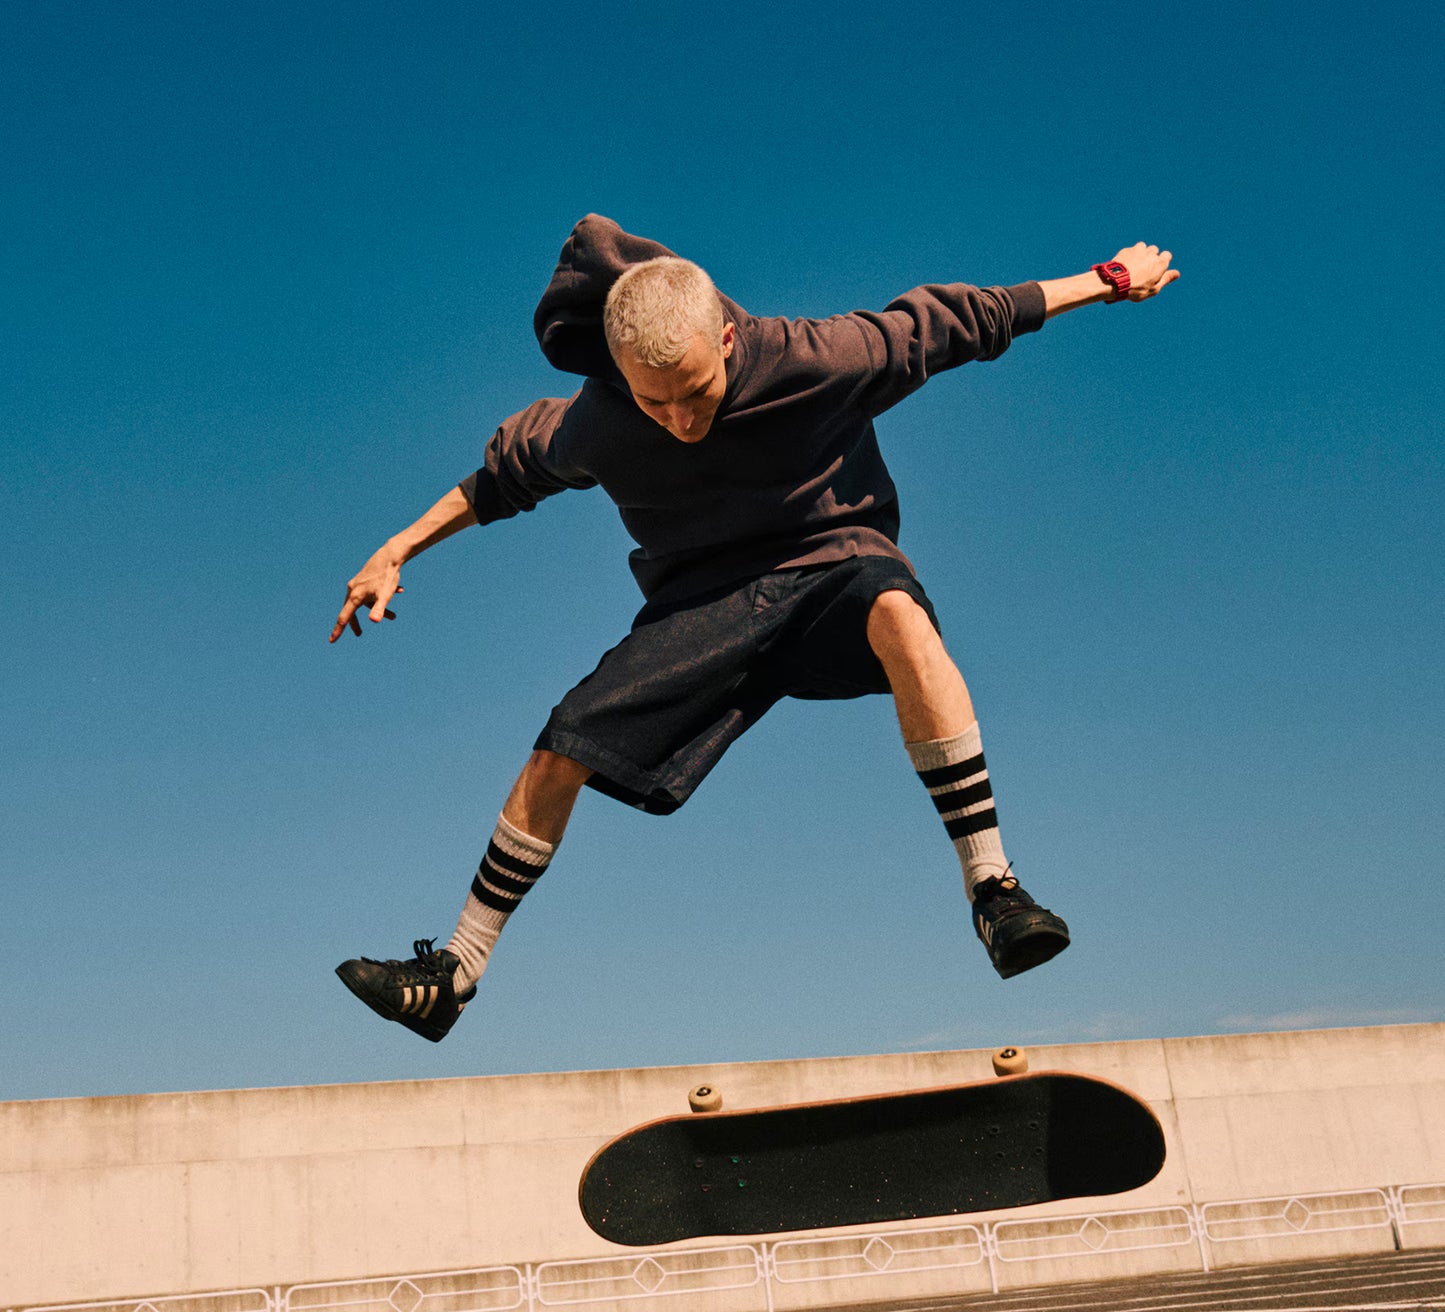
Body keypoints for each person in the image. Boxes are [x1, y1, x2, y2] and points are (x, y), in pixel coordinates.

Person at [330, 217, 1178, 1042]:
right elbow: (501, 478)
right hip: (698, 602)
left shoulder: (819, 356)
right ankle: (454, 973)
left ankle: (994, 890)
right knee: (561, 749)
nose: (677, 419)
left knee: (898, 612)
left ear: (728, 341)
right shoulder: (598, 418)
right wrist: (397, 547)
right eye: (651, 400)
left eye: (694, 392)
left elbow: (969, 318)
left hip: (829, 563)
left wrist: (1107, 281)